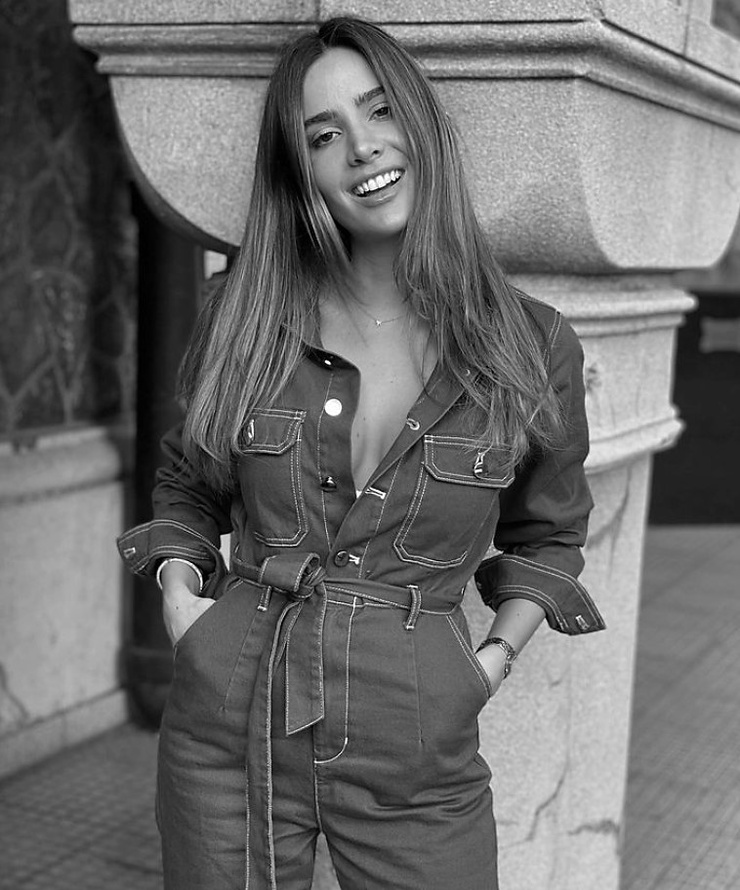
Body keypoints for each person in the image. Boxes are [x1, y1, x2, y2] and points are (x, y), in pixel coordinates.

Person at [117, 16, 605, 890]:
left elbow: (550, 533)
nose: (362, 147)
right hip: (231, 713)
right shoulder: (243, 316)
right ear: (300, 172)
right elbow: (188, 483)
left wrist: (488, 665)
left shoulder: (530, 345)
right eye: (323, 134)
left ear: (422, 122)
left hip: (416, 732)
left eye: (380, 110)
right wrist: (182, 602)